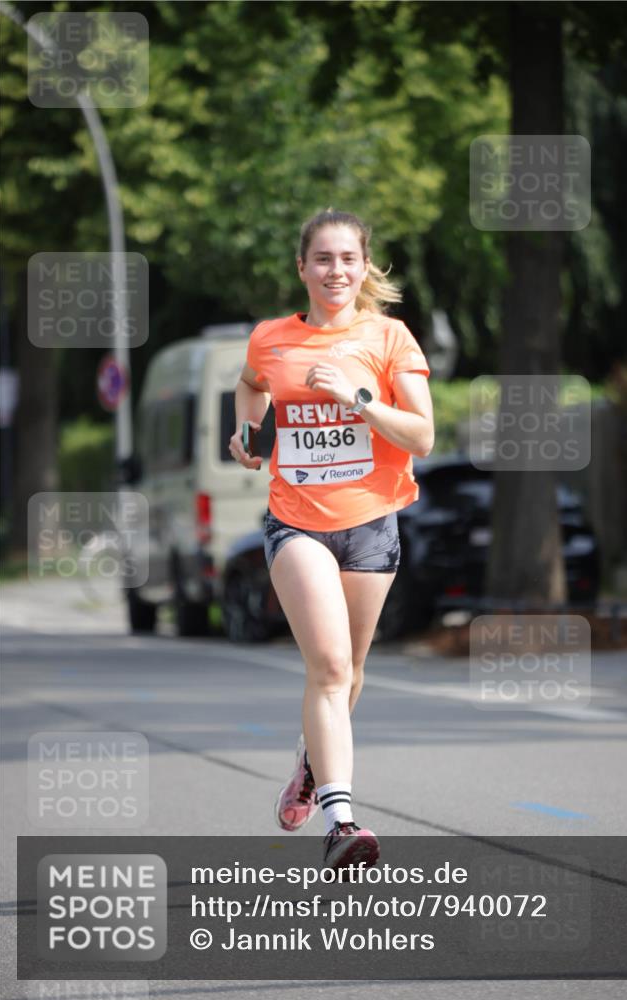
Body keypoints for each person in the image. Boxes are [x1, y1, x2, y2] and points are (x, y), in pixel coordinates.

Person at [229, 208, 434, 871]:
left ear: (364, 266)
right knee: (330, 668)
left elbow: (421, 436)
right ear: (302, 268)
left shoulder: (389, 337)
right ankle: (341, 821)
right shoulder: (271, 339)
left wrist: (360, 401)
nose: (335, 270)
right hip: (297, 523)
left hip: (372, 523)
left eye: (347, 258)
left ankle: (309, 764)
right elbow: (249, 384)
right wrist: (245, 431)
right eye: (322, 258)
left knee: (350, 675)